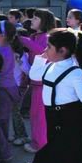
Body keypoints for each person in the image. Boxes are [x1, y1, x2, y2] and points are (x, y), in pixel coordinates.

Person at [30, 28, 82, 163]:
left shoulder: (75, 72)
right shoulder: (50, 65)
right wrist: (40, 59)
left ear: (62, 50)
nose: (46, 49)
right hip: (53, 119)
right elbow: (34, 75)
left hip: (68, 122)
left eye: (49, 47)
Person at [19, 8, 56, 153]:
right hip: (35, 82)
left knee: (40, 115)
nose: (32, 21)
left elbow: (43, 52)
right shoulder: (35, 36)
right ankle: (37, 140)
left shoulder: (47, 37)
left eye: (35, 18)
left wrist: (24, 40)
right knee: (35, 114)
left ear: (44, 21)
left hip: (43, 83)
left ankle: (40, 143)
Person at [0, 20, 20, 163]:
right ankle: (3, 150)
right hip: (10, 88)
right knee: (3, 121)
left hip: (1, 90)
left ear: (1, 35)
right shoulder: (9, 48)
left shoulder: (0, 52)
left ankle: (4, 152)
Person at [11, 28, 31, 146]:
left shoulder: (22, 55)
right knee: (13, 111)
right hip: (11, 85)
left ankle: (22, 136)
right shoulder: (8, 51)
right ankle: (17, 134)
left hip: (18, 86)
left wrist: (19, 62)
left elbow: (28, 71)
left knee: (16, 112)